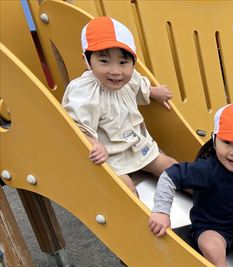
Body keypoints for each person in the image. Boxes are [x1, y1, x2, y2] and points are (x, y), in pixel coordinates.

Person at [148, 103, 233, 267]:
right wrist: (161, 211)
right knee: (212, 248)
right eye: (227, 142)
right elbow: (169, 176)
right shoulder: (207, 169)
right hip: (212, 229)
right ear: (214, 140)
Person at [62, 16, 177, 194]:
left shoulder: (129, 79)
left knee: (173, 167)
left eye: (123, 62)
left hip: (138, 147)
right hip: (109, 158)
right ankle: (138, 210)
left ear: (133, 63)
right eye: (104, 61)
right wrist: (94, 144)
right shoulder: (84, 92)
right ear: (87, 61)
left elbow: (139, 85)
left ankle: (206, 200)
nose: (115, 71)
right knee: (126, 190)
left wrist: (154, 92)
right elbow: (75, 126)